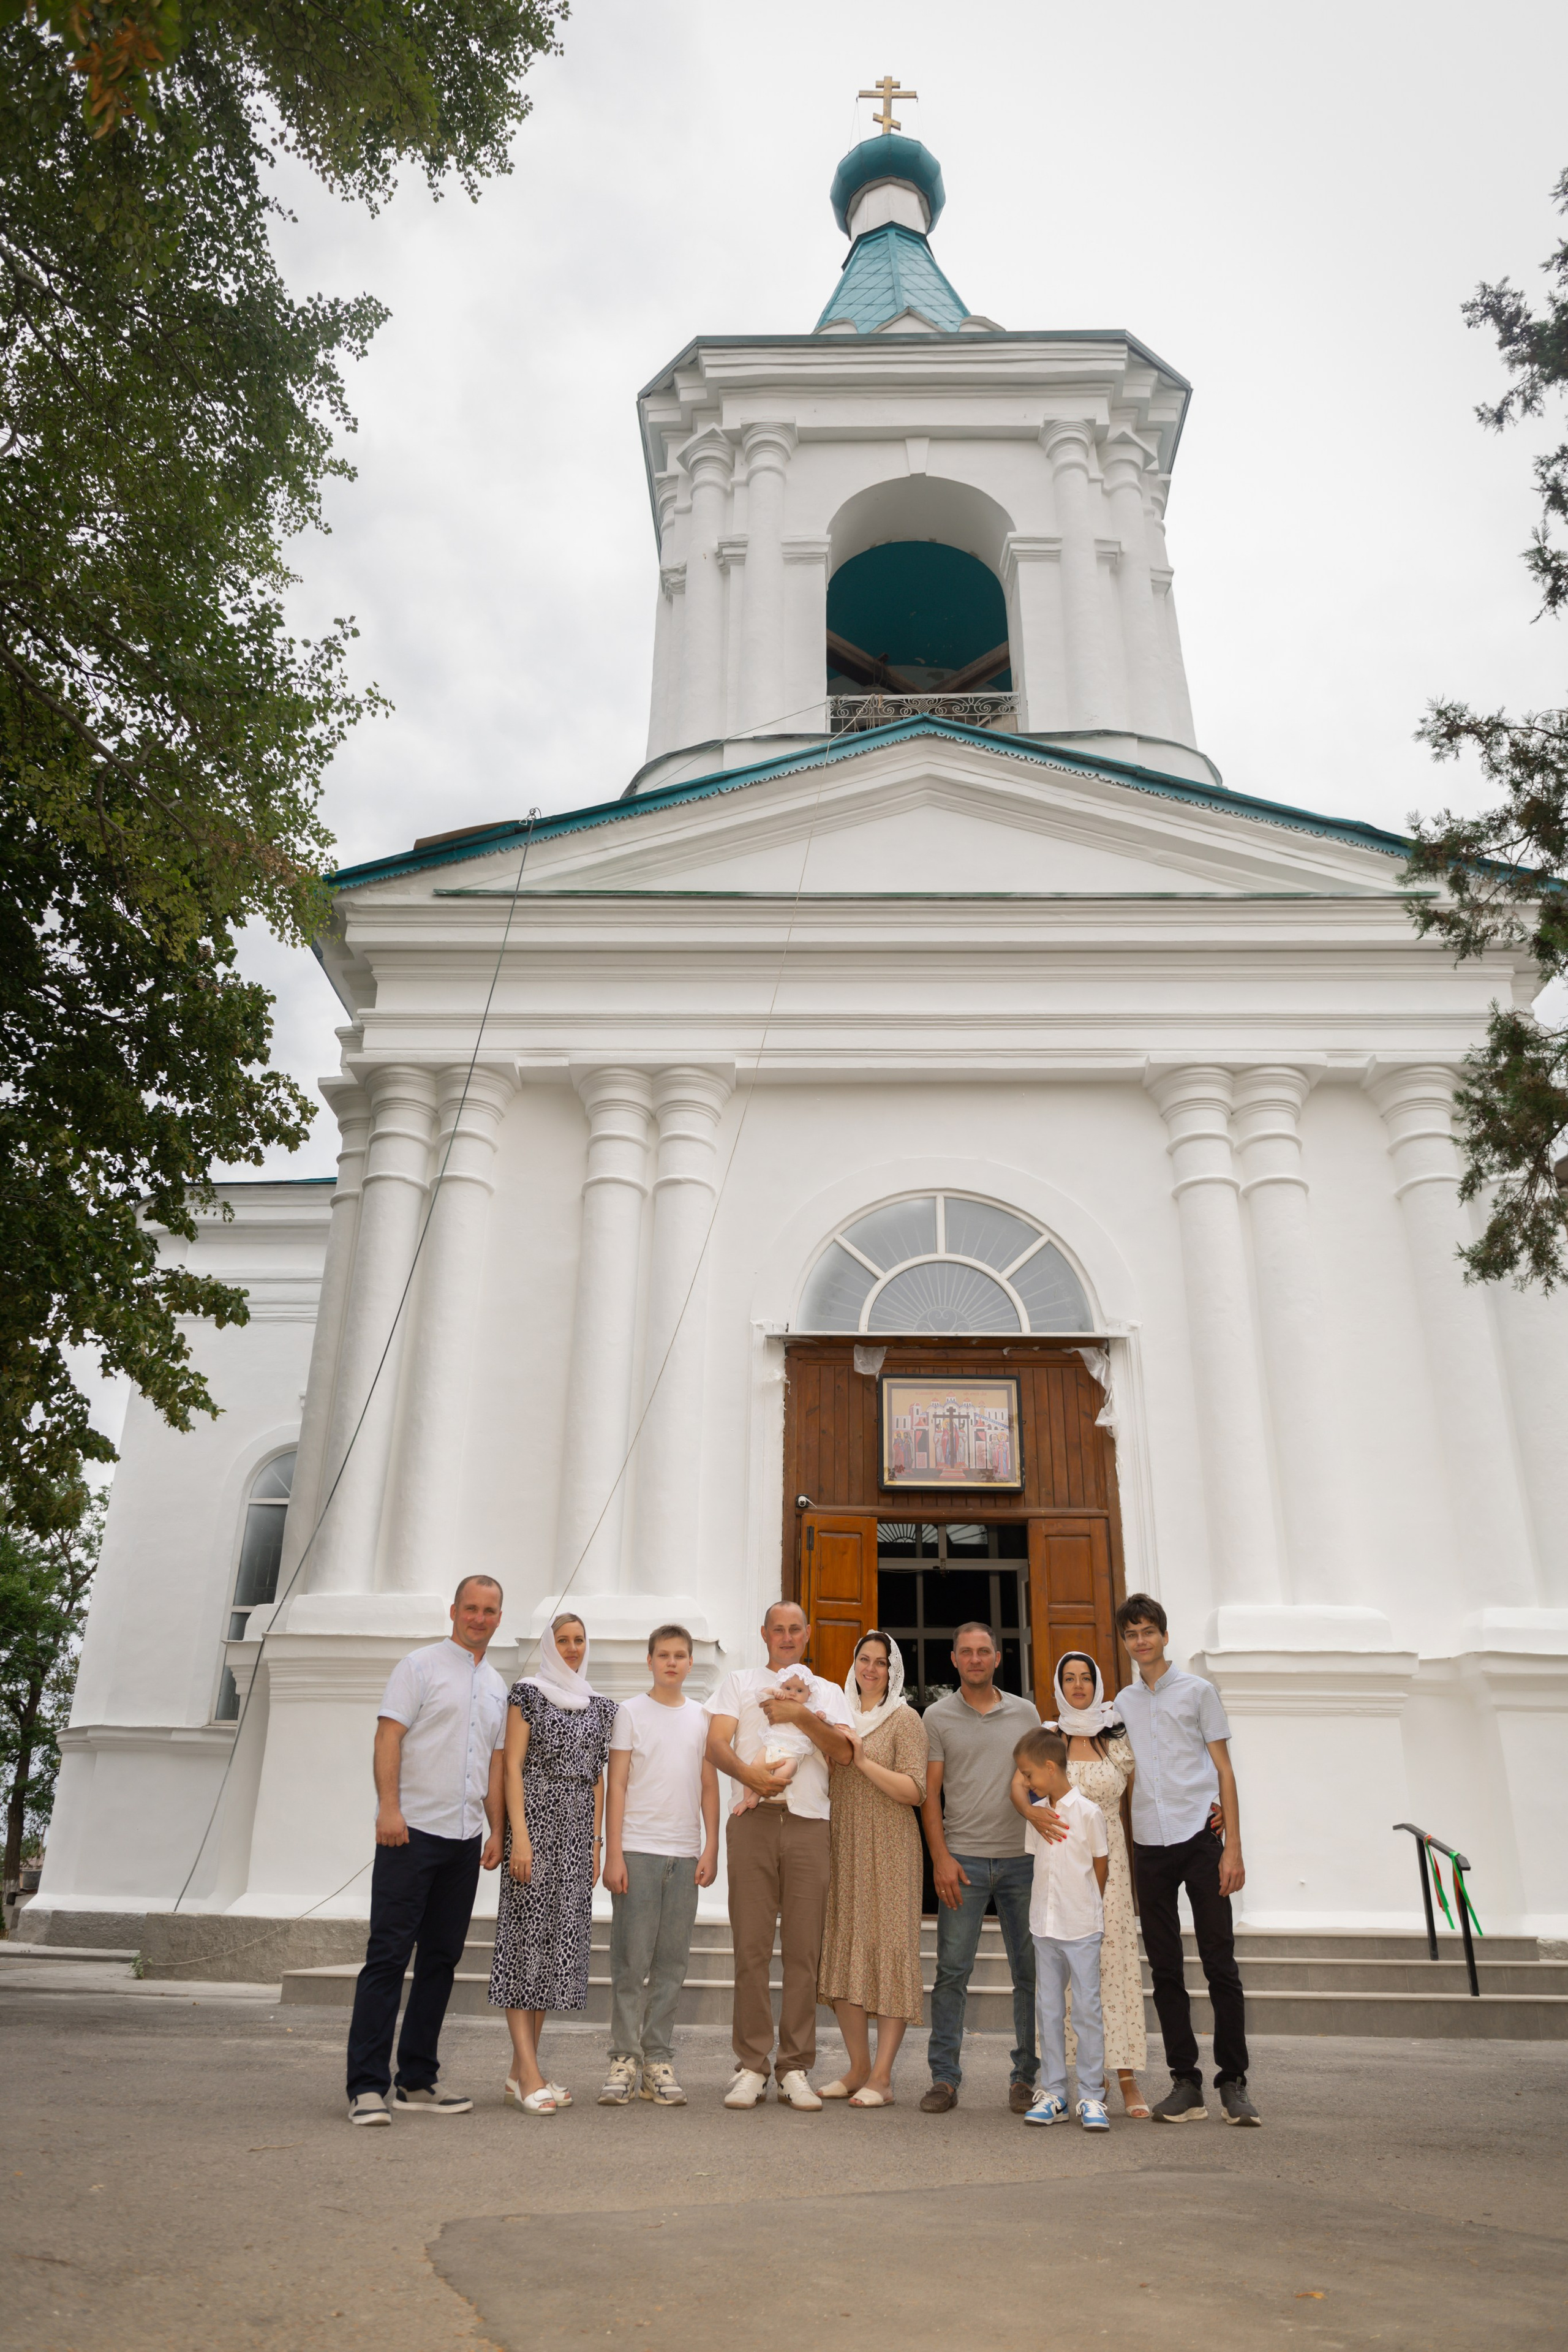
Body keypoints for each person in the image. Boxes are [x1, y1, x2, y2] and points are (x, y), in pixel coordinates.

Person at [345, 1575, 507, 2125]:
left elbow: (492, 1765)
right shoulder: (418, 1667)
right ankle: (367, 2087)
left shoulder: (497, 1686)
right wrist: (389, 1809)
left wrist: (497, 1830)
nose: (479, 1618)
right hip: (410, 1833)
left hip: (464, 1841)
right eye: (471, 1608)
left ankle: (416, 2079)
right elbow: (387, 1736)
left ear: (499, 1618)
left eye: (489, 1610)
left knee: (440, 1961)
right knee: (388, 1957)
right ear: (454, 1611)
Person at [1114, 1592, 1261, 2127]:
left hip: (1200, 1837)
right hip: (1149, 1845)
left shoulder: (1199, 1692)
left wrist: (1233, 1847)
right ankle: (1186, 2083)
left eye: (1148, 1631)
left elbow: (1225, 1770)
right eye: (1132, 1634)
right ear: (1125, 1642)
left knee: (1220, 1963)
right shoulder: (1122, 1703)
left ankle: (1234, 2082)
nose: (1141, 1641)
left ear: (1165, 1635)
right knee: (1166, 1969)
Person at [704, 1600, 855, 2110]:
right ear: (765, 1633)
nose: (787, 1637)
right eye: (778, 1629)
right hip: (753, 1824)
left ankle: (794, 2068)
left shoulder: (827, 1690)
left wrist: (800, 1716)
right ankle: (751, 2066)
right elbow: (716, 1744)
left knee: (803, 1953)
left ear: (807, 1634)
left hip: (810, 1824)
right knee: (750, 1948)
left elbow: (845, 1752)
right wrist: (749, 1776)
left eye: (795, 1629)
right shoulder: (740, 1682)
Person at [919, 1623, 1055, 2114]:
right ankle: (944, 2078)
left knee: (1030, 1973)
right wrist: (940, 1858)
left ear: (998, 1658)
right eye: (966, 1652)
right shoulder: (936, 1716)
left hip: (1023, 1861)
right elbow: (931, 1794)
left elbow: (1043, 1783)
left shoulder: (1026, 1713)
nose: (975, 1659)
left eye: (983, 1651)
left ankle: (1025, 2078)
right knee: (952, 1972)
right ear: (954, 1659)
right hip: (964, 1862)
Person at [488, 1612, 616, 2116]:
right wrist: (518, 1837)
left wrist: (595, 1845)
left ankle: (521, 2072)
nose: (572, 1648)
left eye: (579, 1640)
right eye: (562, 1640)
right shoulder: (528, 1694)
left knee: (553, 1953)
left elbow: (598, 1777)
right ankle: (530, 2074)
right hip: (535, 1830)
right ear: (549, 1645)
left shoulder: (600, 1706)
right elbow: (511, 1766)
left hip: (576, 1836)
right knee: (524, 1949)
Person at [599, 1623, 720, 2109]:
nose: (672, 1662)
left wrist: (711, 1848)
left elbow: (709, 1785)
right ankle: (623, 2060)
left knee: (671, 1964)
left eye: (680, 1655)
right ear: (649, 1661)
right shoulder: (629, 1712)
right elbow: (617, 1784)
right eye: (663, 1655)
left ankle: (657, 2062)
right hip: (638, 1852)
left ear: (691, 1662)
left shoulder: (703, 1718)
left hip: (684, 1855)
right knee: (631, 1963)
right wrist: (613, 1853)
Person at [817, 1630, 929, 2106]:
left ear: (892, 1671)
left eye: (881, 1662)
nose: (871, 1669)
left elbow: (915, 1791)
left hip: (891, 1849)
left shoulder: (905, 1719)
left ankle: (882, 2077)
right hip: (844, 1844)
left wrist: (861, 1760)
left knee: (890, 1951)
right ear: (854, 1663)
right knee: (845, 1949)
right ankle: (858, 2067)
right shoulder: (836, 1717)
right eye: (865, 1659)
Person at [1046, 1652, 1150, 2119]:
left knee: (1116, 1962)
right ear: (1059, 1686)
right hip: (1065, 1860)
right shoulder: (1051, 1738)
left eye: (1085, 1678)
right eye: (1069, 1678)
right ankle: (1089, 2075)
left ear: (1097, 1683)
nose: (1078, 1685)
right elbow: (1027, 1790)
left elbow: (1148, 1789)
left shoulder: (1116, 1736)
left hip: (1113, 1862)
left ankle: (1126, 2075)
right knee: (1073, 1968)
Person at [1010, 1726, 1111, 2132]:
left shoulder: (1088, 1813)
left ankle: (1092, 2096)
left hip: (1081, 1928)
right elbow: (1039, 1863)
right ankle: (1054, 2094)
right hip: (1045, 1927)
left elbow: (1100, 1865)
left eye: (1028, 1774)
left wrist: (1087, 1907)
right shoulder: (1037, 1815)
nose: (1026, 1782)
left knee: (1087, 2011)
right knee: (1048, 2010)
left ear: (1050, 1768)